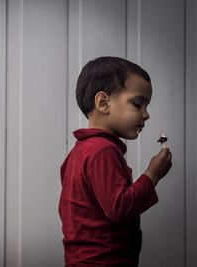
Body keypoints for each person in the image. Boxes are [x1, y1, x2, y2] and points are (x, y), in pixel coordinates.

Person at [58, 56, 172, 267]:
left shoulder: (79, 152)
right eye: (138, 104)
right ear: (103, 103)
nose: (146, 115)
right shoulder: (103, 151)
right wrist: (152, 174)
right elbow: (119, 208)